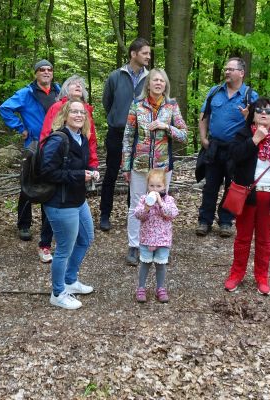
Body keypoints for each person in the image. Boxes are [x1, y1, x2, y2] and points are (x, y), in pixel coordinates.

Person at [224, 98, 270, 295]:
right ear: (253, 115)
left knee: (264, 240)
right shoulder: (243, 135)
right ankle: (236, 274)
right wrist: (254, 140)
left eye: (268, 111)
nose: (264, 114)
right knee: (243, 238)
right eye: (259, 110)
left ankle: (262, 277)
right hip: (247, 195)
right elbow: (234, 158)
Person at [121, 68, 188, 265]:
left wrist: (166, 126)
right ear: (148, 84)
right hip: (139, 165)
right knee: (136, 205)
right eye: (155, 80)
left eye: (162, 81)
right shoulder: (137, 105)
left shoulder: (171, 106)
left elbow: (184, 135)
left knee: (161, 204)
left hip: (162, 168)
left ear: (165, 85)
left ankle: (159, 244)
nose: (159, 83)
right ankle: (134, 246)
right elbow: (128, 137)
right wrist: (126, 166)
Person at [39, 100, 96, 310]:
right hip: (60, 203)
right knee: (64, 248)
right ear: (65, 115)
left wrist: (91, 171)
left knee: (86, 239)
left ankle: (70, 281)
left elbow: (81, 165)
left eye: (82, 112)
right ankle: (58, 293)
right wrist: (80, 175)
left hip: (78, 200)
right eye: (74, 112)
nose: (79, 115)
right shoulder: (58, 139)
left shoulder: (82, 138)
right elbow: (46, 172)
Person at [37, 74, 99, 263]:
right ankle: (45, 244)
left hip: (76, 179)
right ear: (65, 89)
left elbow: (90, 142)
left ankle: (69, 268)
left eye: (81, 84)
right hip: (59, 171)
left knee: (81, 235)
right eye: (73, 83)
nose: (78, 85)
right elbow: (47, 136)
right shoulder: (57, 107)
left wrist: (92, 166)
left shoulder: (86, 111)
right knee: (54, 204)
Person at [0, 59, 60, 242]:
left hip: (55, 144)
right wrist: (20, 128)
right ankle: (24, 225)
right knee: (28, 184)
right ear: (36, 73)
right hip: (34, 144)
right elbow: (5, 108)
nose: (46, 72)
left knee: (51, 184)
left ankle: (48, 226)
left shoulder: (59, 92)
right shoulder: (27, 93)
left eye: (49, 69)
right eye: (42, 70)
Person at [197, 57, 259, 237]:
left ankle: (226, 221)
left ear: (241, 73)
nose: (226, 72)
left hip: (237, 150)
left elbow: (258, 124)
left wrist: (248, 117)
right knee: (210, 186)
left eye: (231, 69)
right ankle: (204, 221)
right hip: (214, 147)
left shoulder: (250, 96)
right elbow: (204, 115)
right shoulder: (215, 91)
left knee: (232, 187)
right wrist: (203, 138)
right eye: (226, 69)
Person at [99, 38, 151, 232]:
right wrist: (117, 118)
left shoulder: (150, 78)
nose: (148, 56)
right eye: (145, 53)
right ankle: (105, 215)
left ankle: (135, 214)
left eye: (149, 53)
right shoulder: (116, 76)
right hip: (116, 132)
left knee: (137, 175)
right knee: (111, 173)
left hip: (140, 135)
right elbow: (107, 102)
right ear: (133, 54)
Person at [133, 169, 179, 303]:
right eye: (152, 186)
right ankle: (141, 288)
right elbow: (138, 215)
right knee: (145, 263)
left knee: (161, 265)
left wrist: (160, 203)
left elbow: (172, 214)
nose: (155, 189)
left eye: (158, 186)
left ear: (164, 186)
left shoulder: (168, 200)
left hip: (163, 240)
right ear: (147, 186)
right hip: (147, 239)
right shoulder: (143, 199)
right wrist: (146, 208)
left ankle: (160, 288)